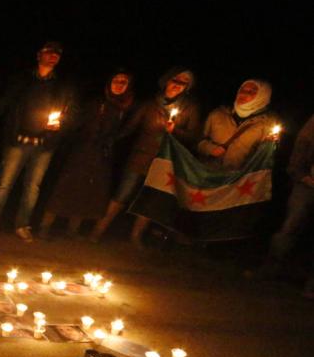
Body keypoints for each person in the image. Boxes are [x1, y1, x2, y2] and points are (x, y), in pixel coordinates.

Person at [90, 67, 200, 245]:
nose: (178, 85)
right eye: (175, 80)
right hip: (140, 157)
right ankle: (97, 231)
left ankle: (136, 238)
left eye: (183, 83)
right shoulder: (150, 105)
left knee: (150, 201)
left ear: (187, 88)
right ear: (167, 81)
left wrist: (175, 131)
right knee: (122, 195)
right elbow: (129, 128)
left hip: (166, 161)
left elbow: (194, 136)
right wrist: (109, 139)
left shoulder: (190, 109)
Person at [0, 41, 75, 242]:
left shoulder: (61, 86)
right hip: (18, 141)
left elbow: (69, 112)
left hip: (44, 145)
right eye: (49, 52)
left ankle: (22, 225)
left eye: (57, 53)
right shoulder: (22, 80)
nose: (53, 56)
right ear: (39, 55)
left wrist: (60, 125)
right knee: (4, 185)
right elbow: (4, 106)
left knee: (32, 188)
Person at [38, 70, 135, 240]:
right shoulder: (96, 102)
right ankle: (45, 227)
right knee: (65, 189)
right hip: (82, 152)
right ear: (109, 83)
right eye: (116, 80)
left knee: (88, 193)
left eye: (123, 82)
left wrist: (112, 141)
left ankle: (73, 230)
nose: (119, 84)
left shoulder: (127, 107)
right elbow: (78, 124)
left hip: (103, 156)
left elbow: (125, 131)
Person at [256, 113, 314, 298]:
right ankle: (272, 267)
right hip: (308, 182)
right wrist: (300, 173)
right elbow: (302, 144)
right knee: (291, 226)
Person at [197, 80, 281, 169]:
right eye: (242, 90)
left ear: (263, 95)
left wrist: (271, 144)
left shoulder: (267, 123)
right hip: (207, 172)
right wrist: (209, 148)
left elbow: (266, 158)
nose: (244, 94)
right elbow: (197, 139)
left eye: (251, 91)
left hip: (239, 178)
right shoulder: (217, 114)